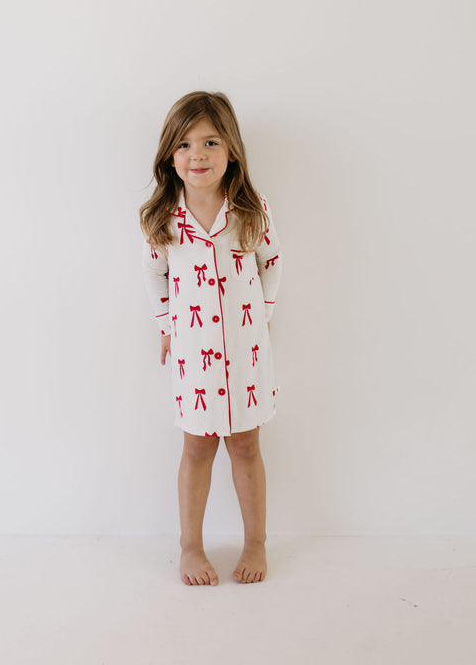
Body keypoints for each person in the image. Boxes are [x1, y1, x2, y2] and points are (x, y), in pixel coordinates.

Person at [140, 91, 282, 586]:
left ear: (231, 151)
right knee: (197, 449)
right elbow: (155, 276)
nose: (196, 154)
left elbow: (272, 262)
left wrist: (261, 316)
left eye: (209, 141)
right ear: (169, 156)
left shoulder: (249, 210)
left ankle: (256, 543)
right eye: (183, 144)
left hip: (245, 353)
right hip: (195, 358)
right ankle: (190, 547)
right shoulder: (164, 218)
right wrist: (166, 326)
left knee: (246, 445)